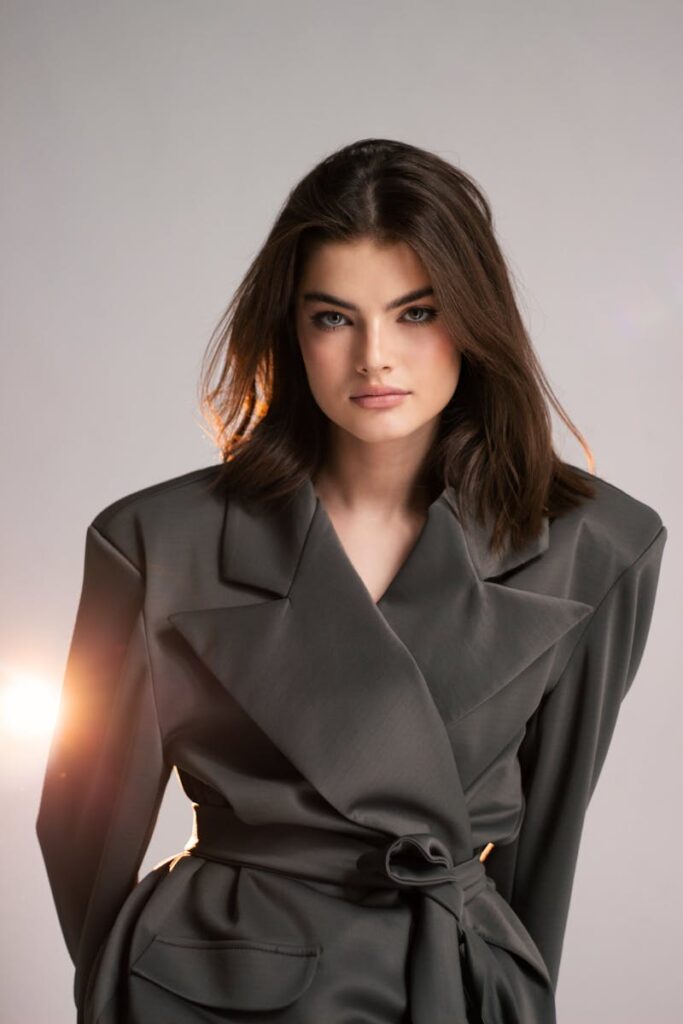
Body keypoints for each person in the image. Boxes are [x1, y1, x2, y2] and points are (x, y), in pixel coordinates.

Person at [36, 138, 667, 1024]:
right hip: (207, 988)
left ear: (475, 321)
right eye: (333, 317)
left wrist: (512, 992)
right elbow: (82, 830)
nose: (375, 356)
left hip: (447, 985)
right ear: (290, 332)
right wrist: (123, 988)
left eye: (416, 313)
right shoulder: (156, 539)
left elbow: (545, 846)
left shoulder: (599, 543)